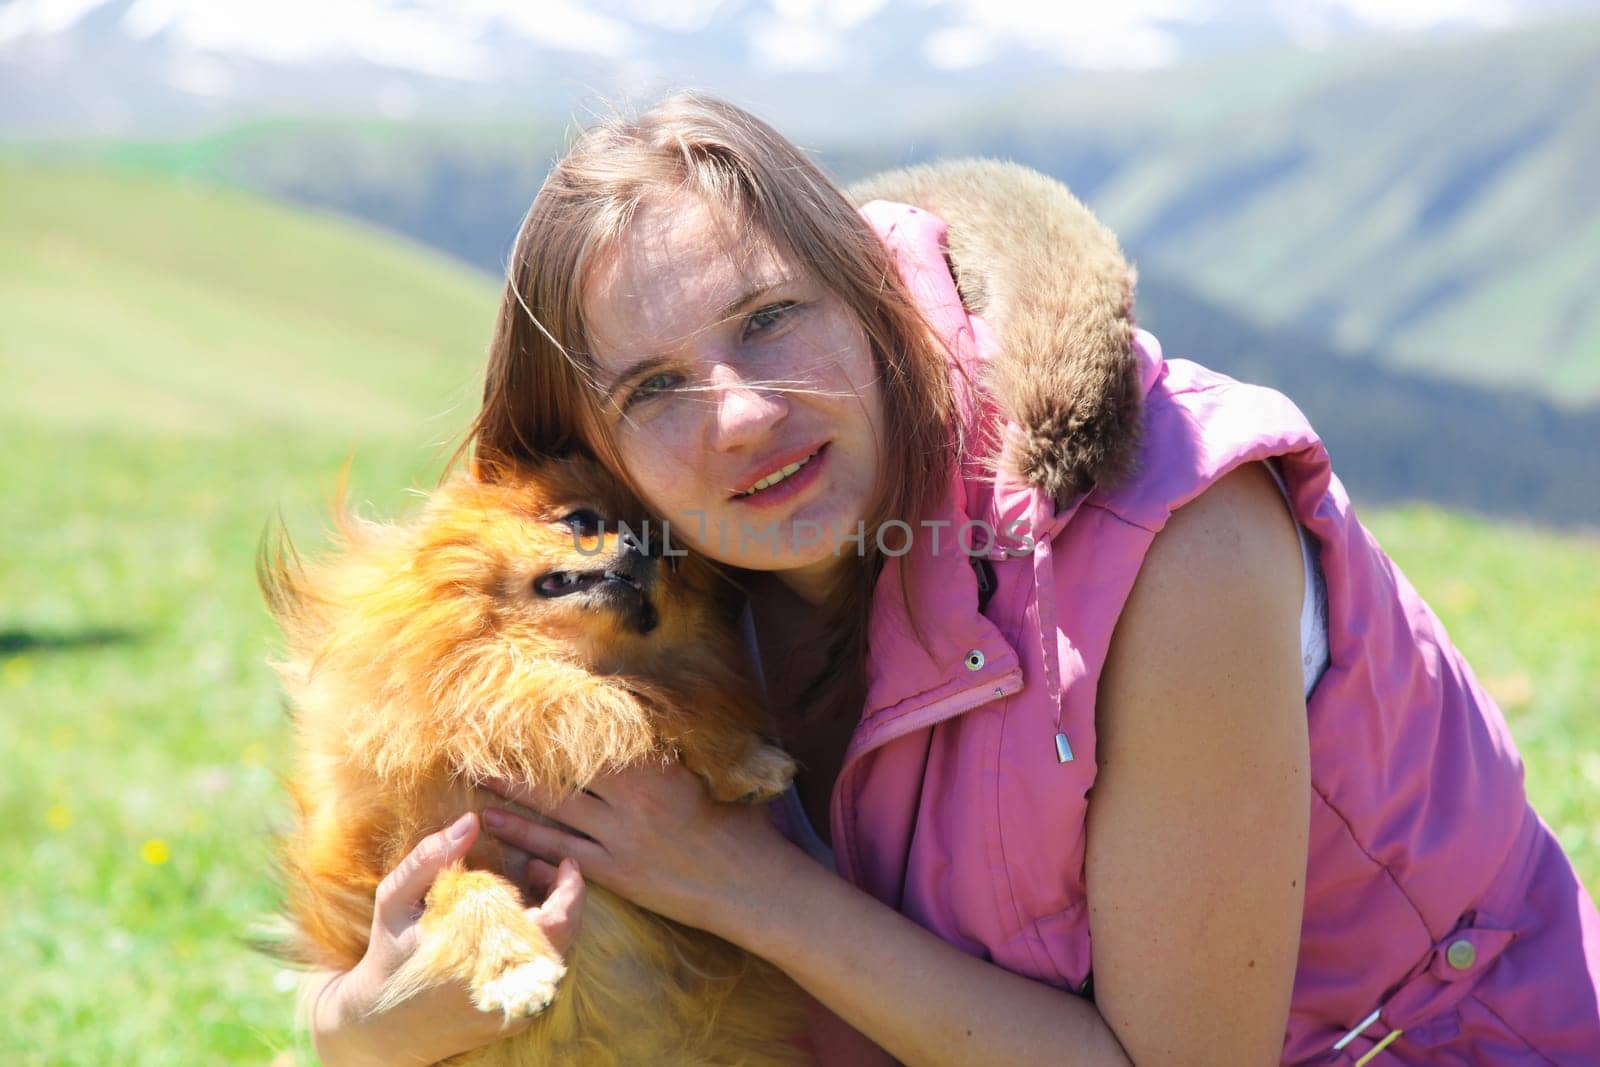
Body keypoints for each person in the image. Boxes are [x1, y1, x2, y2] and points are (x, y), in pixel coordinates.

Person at [302, 92, 1600, 1064]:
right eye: (654, 388)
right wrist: (367, 1019)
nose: (743, 417)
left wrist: (740, 880)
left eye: (769, 321)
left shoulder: (1173, 530)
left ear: (868, 297)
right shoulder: (631, 580)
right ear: (593, 451)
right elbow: (372, 975)